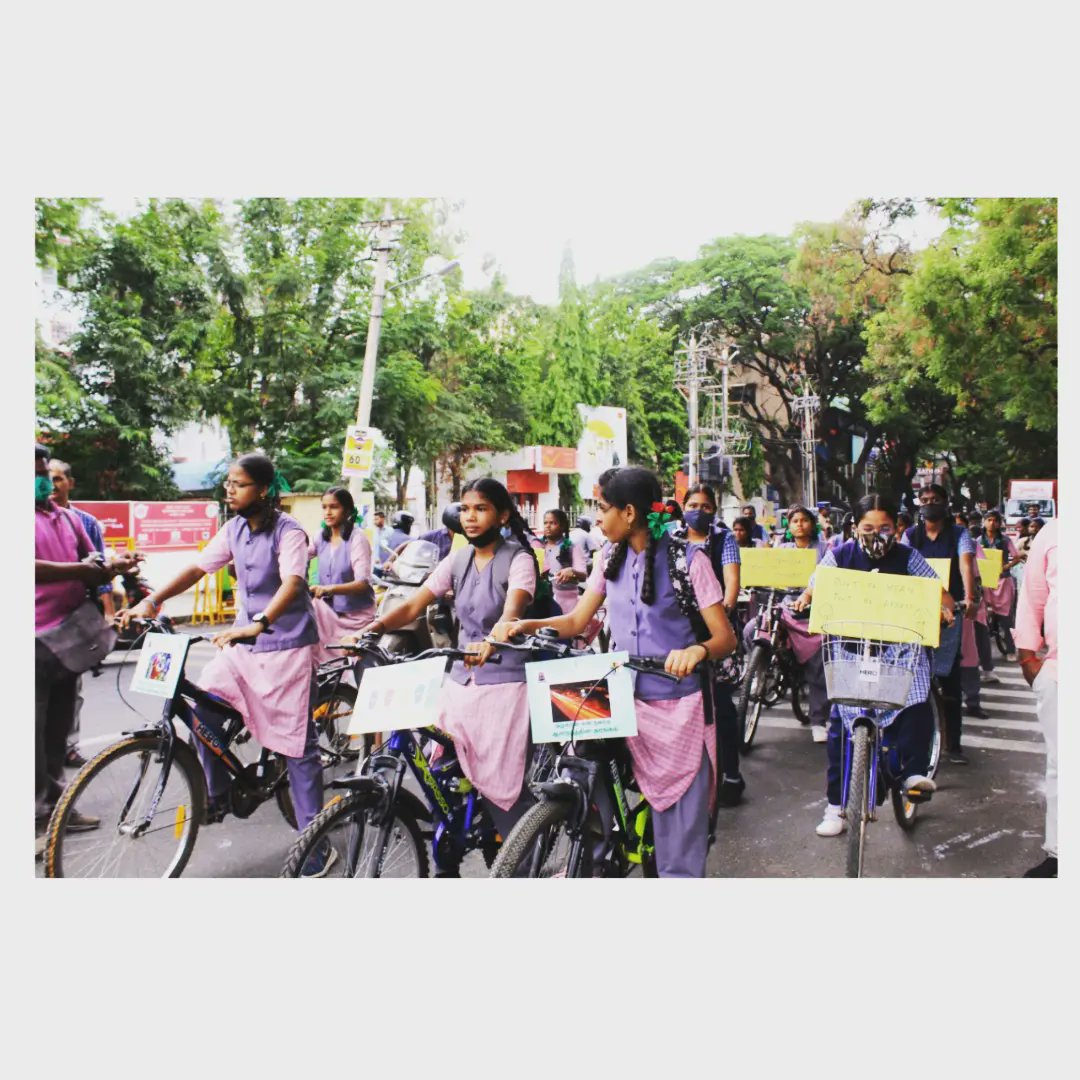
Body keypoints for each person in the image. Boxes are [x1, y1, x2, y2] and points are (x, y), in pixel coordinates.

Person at [493, 466, 737, 878]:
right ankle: (597, 852)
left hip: (678, 705)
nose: (597, 517)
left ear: (628, 512)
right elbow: (575, 622)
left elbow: (725, 639)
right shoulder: (607, 557)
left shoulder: (689, 560)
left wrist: (696, 650)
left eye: (602, 508)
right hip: (619, 690)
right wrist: (525, 626)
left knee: (679, 847)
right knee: (579, 763)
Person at [119, 453, 333, 876]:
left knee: (296, 747)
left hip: (285, 646)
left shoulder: (289, 532)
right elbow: (198, 567)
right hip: (242, 643)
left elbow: (293, 582)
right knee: (203, 708)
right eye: (229, 483)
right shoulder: (233, 529)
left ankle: (316, 843)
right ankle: (216, 793)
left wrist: (260, 623)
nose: (229, 490)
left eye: (239, 483)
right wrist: (151, 600)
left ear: (265, 490)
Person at [356, 479, 540, 862]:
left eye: (481, 509)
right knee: (435, 761)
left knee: (499, 778)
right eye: (466, 508)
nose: (470, 517)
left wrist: (494, 639)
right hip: (461, 675)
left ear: (502, 515)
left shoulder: (519, 559)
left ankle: (521, 855)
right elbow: (413, 604)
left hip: (504, 679)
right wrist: (374, 628)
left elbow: (513, 611)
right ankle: (449, 842)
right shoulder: (456, 559)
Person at [791, 493, 955, 837]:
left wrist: (944, 607)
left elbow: (937, 590)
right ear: (854, 527)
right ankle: (835, 806)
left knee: (915, 704)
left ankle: (912, 773)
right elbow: (815, 587)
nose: (876, 533)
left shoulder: (909, 557)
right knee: (839, 725)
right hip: (851, 652)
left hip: (897, 653)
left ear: (897, 528)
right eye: (868, 527)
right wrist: (805, 599)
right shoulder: (839, 556)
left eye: (884, 527)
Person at [35, 445, 139, 852]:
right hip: (31, 640)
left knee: (57, 732)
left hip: (69, 639)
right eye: (37, 470)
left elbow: (91, 555)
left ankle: (55, 809)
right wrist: (85, 569)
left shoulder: (64, 517)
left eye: (46, 470)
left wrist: (116, 562)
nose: (44, 477)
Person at [676, 483, 745, 805]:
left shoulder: (723, 539)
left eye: (705, 506)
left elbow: (731, 580)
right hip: (678, 633)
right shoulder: (671, 538)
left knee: (720, 704)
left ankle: (730, 772)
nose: (698, 511)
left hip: (713, 628)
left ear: (714, 510)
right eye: (693, 504)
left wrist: (724, 609)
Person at [901, 483, 978, 765]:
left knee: (949, 679)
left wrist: (968, 597)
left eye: (935, 499)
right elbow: (902, 565)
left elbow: (966, 565)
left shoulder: (959, 534)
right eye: (924, 499)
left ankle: (953, 745)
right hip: (916, 612)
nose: (929, 503)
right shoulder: (911, 535)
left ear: (946, 503)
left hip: (949, 613)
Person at [49, 458, 115, 768]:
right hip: (39, 626)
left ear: (70, 483)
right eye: (46, 476)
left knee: (69, 694)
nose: (51, 484)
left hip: (72, 622)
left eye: (58, 478)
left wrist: (109, 614)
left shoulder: (81, 522)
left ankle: (68, 748)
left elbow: (99, 569)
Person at [1014, 519, 1057, 877]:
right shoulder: (1055, 531)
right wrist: (1028, 656)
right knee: (1063, 765)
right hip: (1061, 671)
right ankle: (1060, 854)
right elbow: (1033, 597)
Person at [776, 505, 831, 743]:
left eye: (804, 520)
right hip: (785, 607)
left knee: (819, 666)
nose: (799, 524)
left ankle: (818, 720)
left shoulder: (825, 549)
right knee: (751, 631)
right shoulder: (782, 549)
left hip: (814, 613)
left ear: (812, 524)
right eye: (794, 520)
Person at [308, 486, 377, 661]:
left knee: (352, 667)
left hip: (356, 617)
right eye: (324, 507)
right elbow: (298, 558)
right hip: (328, 614)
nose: (328, 512)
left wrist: (328, 589)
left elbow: (362, 583)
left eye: (334, 507)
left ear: (347, 510)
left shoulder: (357, 538)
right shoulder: (320, 538)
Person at [978, 509, 1020, 661]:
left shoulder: (1005, 540)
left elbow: (1016, 557)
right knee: (981, 617)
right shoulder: (978, 541)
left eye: (995, 520)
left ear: (999, 523)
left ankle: (1010, 649)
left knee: (1006, 618)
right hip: (984, 582)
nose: (992, 523)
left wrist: (1005, 567)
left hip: (1002, 582)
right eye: (989, 520)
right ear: (984, 522)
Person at [540, 509, 587, 616]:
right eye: (545, 523)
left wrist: (572, 571)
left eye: (553, 523)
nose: (548, 526)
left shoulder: (572, 547)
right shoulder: (539, 546)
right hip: (543, 601)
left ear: (563, 526)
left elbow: (583, 575)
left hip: (567, 604)